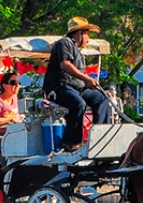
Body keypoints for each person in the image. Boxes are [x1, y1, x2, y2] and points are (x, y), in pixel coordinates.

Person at [43, 16, 112, 152]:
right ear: (81, 33)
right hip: (59, 88)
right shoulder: (64, 43)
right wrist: (87, 79)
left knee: (102, 97)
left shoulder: (76, 49)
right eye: (88, 34)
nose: (88, 39)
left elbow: (79, 79)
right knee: (78, 103)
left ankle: (100, 138)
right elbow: (65, 64)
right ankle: (71, 142)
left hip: (76, 88)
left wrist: (90, 85)